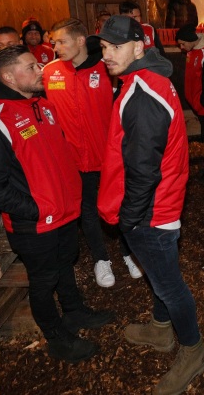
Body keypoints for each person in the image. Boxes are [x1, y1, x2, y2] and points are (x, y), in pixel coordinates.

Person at [0, 45, 114, 364]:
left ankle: (74, 313)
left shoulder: (43, 106)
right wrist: (37, 208)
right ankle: (56, 337)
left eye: (38, 65)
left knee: (65, 265)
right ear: (8, 76)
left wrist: (69, 201)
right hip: (34, 223)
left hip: (63, 214)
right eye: (31, 67)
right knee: (44, 280)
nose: (40, 71)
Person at [96, 15, 204, 395]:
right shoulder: (148, 79)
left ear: (139, 47)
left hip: (152, 211)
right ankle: (162, 331)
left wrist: (129, 218)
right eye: (104, 47)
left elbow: (143, 169)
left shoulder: (143, 94)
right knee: (161, 274)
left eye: (115, 47)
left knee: (170, 284)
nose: (107, 55)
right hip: (158, 203)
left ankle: (193, 351)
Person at [44, 18, 142, 287]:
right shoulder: (50, 72)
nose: (56, 47)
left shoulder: (107, 68)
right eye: (54, 42)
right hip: (73, 160)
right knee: (87, 210)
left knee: (118, 205)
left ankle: (127, 252)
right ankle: (101, 258)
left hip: (109, 156)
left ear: (79, 40)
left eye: (62, 41)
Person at [175, 24, 204, 181]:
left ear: (190, 40)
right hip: (198, 103)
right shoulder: (193, 51)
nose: (181, 47)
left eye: (182, 44)